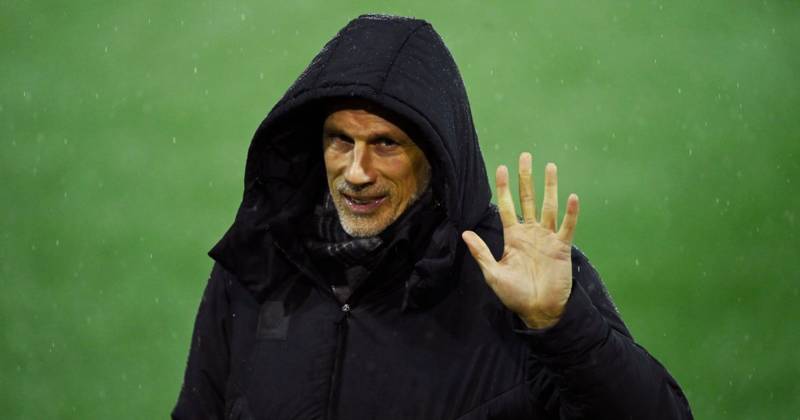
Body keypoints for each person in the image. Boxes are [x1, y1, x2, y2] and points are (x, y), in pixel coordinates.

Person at [173, 14, 693, 419]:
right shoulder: (258, 265)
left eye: (386, 144)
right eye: (341, 140)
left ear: (436, 155)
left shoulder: (516, 276)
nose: (357, 172)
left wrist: (562, 326)